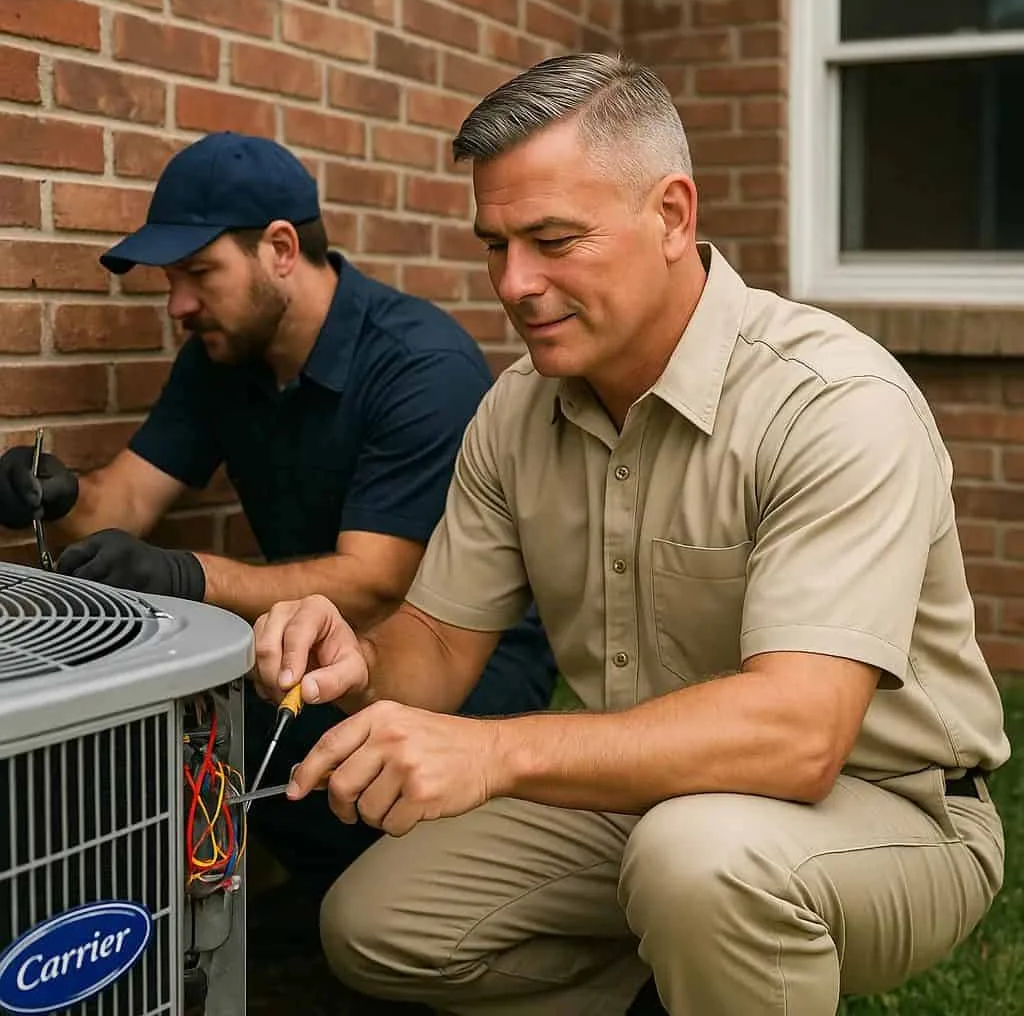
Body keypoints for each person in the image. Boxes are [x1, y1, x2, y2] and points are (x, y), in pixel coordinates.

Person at [250, 52, 1010, 1016]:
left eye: (554, 239)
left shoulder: (832, 404)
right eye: (496, 245)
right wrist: (351, 658)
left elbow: (799, 738)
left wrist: (497, 754)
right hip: (644, 797)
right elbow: (439, 648)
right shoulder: (516, 411)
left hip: (891, 810)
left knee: (700, 863)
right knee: (377, 922)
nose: (515, 284)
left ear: (673, 216)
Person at [0, 131, 557, 913]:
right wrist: (53, 497)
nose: (178, 306)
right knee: (204, 720)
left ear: (281, 248)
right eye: (170, 280)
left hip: (457, 664)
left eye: (198, 274)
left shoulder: (418, 364)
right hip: (307, 642)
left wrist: (188, 575)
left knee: (232, 736)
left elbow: (374, 585)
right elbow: (121, 505)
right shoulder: (222, 357)